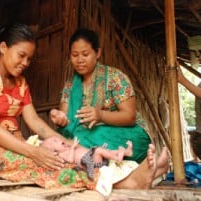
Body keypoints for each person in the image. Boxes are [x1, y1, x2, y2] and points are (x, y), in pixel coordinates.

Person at [50, 28, 170, 188]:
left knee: (84, 138)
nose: (79, 60)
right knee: (59, 140)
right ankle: (145, 173)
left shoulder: (115, 78)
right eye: (74, 55)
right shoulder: (70, 86)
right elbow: (66, 122)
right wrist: (60, 118)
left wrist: (100, 115)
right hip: (83, 135)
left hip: (125, 134)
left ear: (97, 53)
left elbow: (129, 117)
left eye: (85, 54)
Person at [0, 23, 67, 176]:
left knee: (62, 157)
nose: (25, 63)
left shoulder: (21, 83)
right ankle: (104, 181)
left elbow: (34, 121)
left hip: (15, 144)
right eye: (21, 55)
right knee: (49, 167)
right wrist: (33, 152)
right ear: (3, 48)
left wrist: (65, 142)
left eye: (29, 59)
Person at [41, 135, 133, 180]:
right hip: (92, 166)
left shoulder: (67, 148)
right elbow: (70, 160)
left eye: (58, 138)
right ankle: (117, 158)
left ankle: (126, 152)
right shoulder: (62, 155)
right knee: (98, 150)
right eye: (55, 141)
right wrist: (73, 148)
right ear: (54, 151)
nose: (60, 140)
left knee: (104, 150)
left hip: (92, 157)